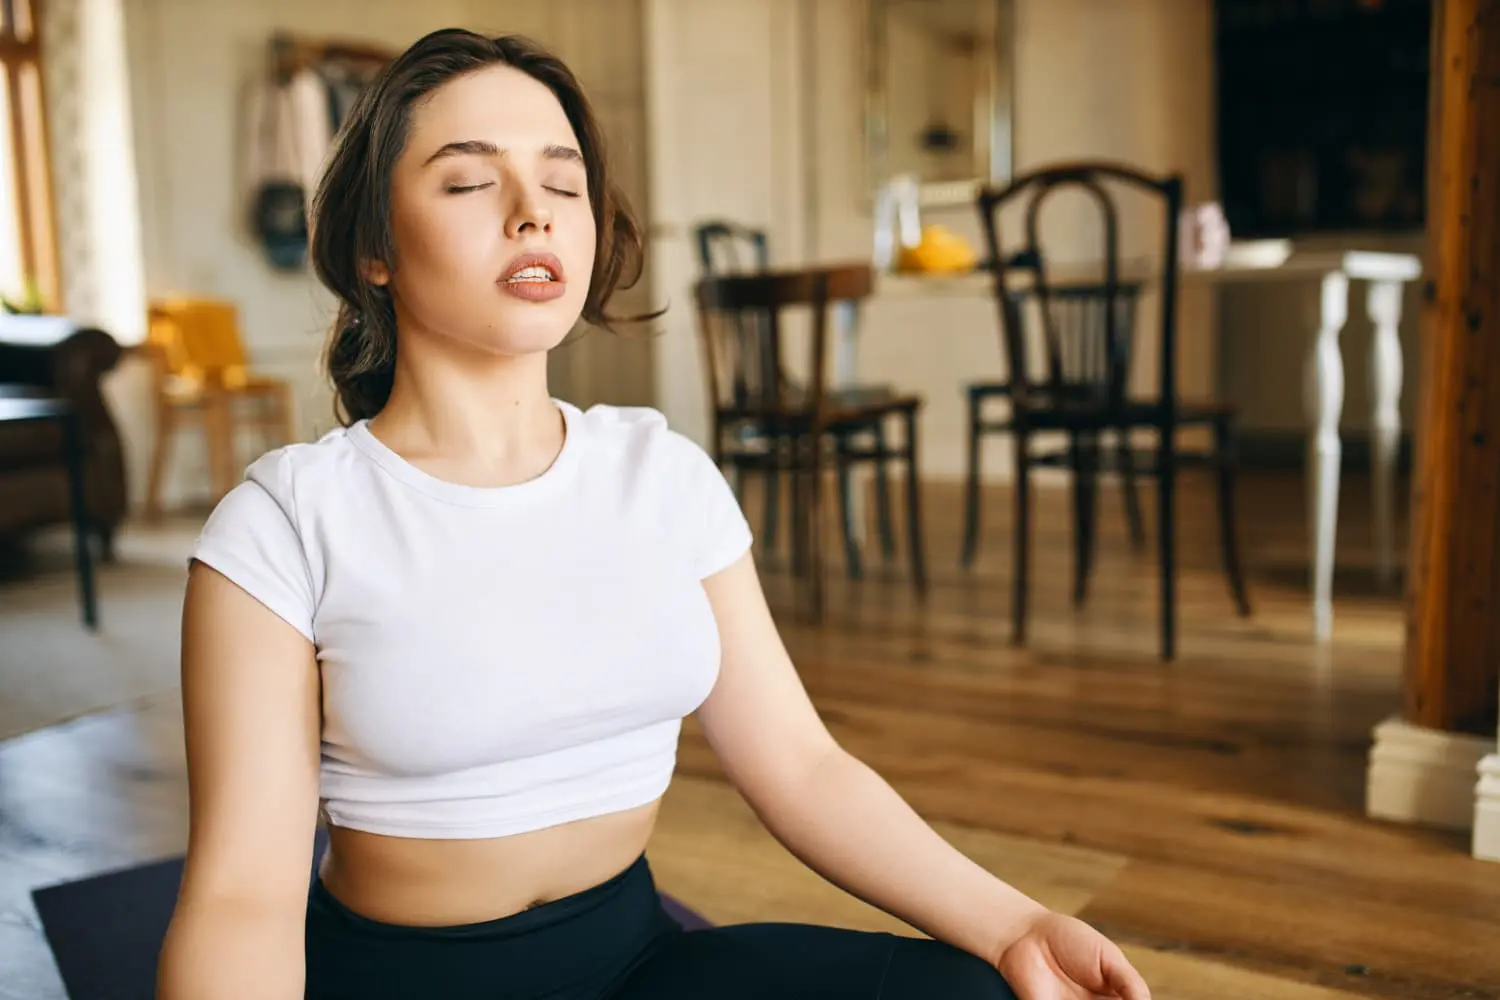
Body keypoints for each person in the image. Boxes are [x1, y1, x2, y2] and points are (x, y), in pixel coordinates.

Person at [156, 27, 1151, 1000]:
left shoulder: (663, 476)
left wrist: (1016, 922)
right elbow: (243, 894)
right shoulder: (285, 523)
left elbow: (801, 767)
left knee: (979, 992)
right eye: (469, 181)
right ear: (374, 247)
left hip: (639, 962)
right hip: (401, 978)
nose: (531, 213)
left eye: (563, 183)